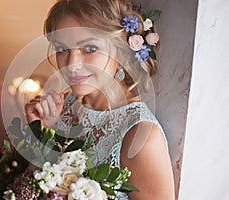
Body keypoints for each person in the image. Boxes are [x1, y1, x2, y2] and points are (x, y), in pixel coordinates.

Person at [25, 0, 175, 199]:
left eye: (89, 48)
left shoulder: (141, 137)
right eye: (62, 49)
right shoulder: (65, 105)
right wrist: (42, 130)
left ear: (122, 53)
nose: (72, 64)